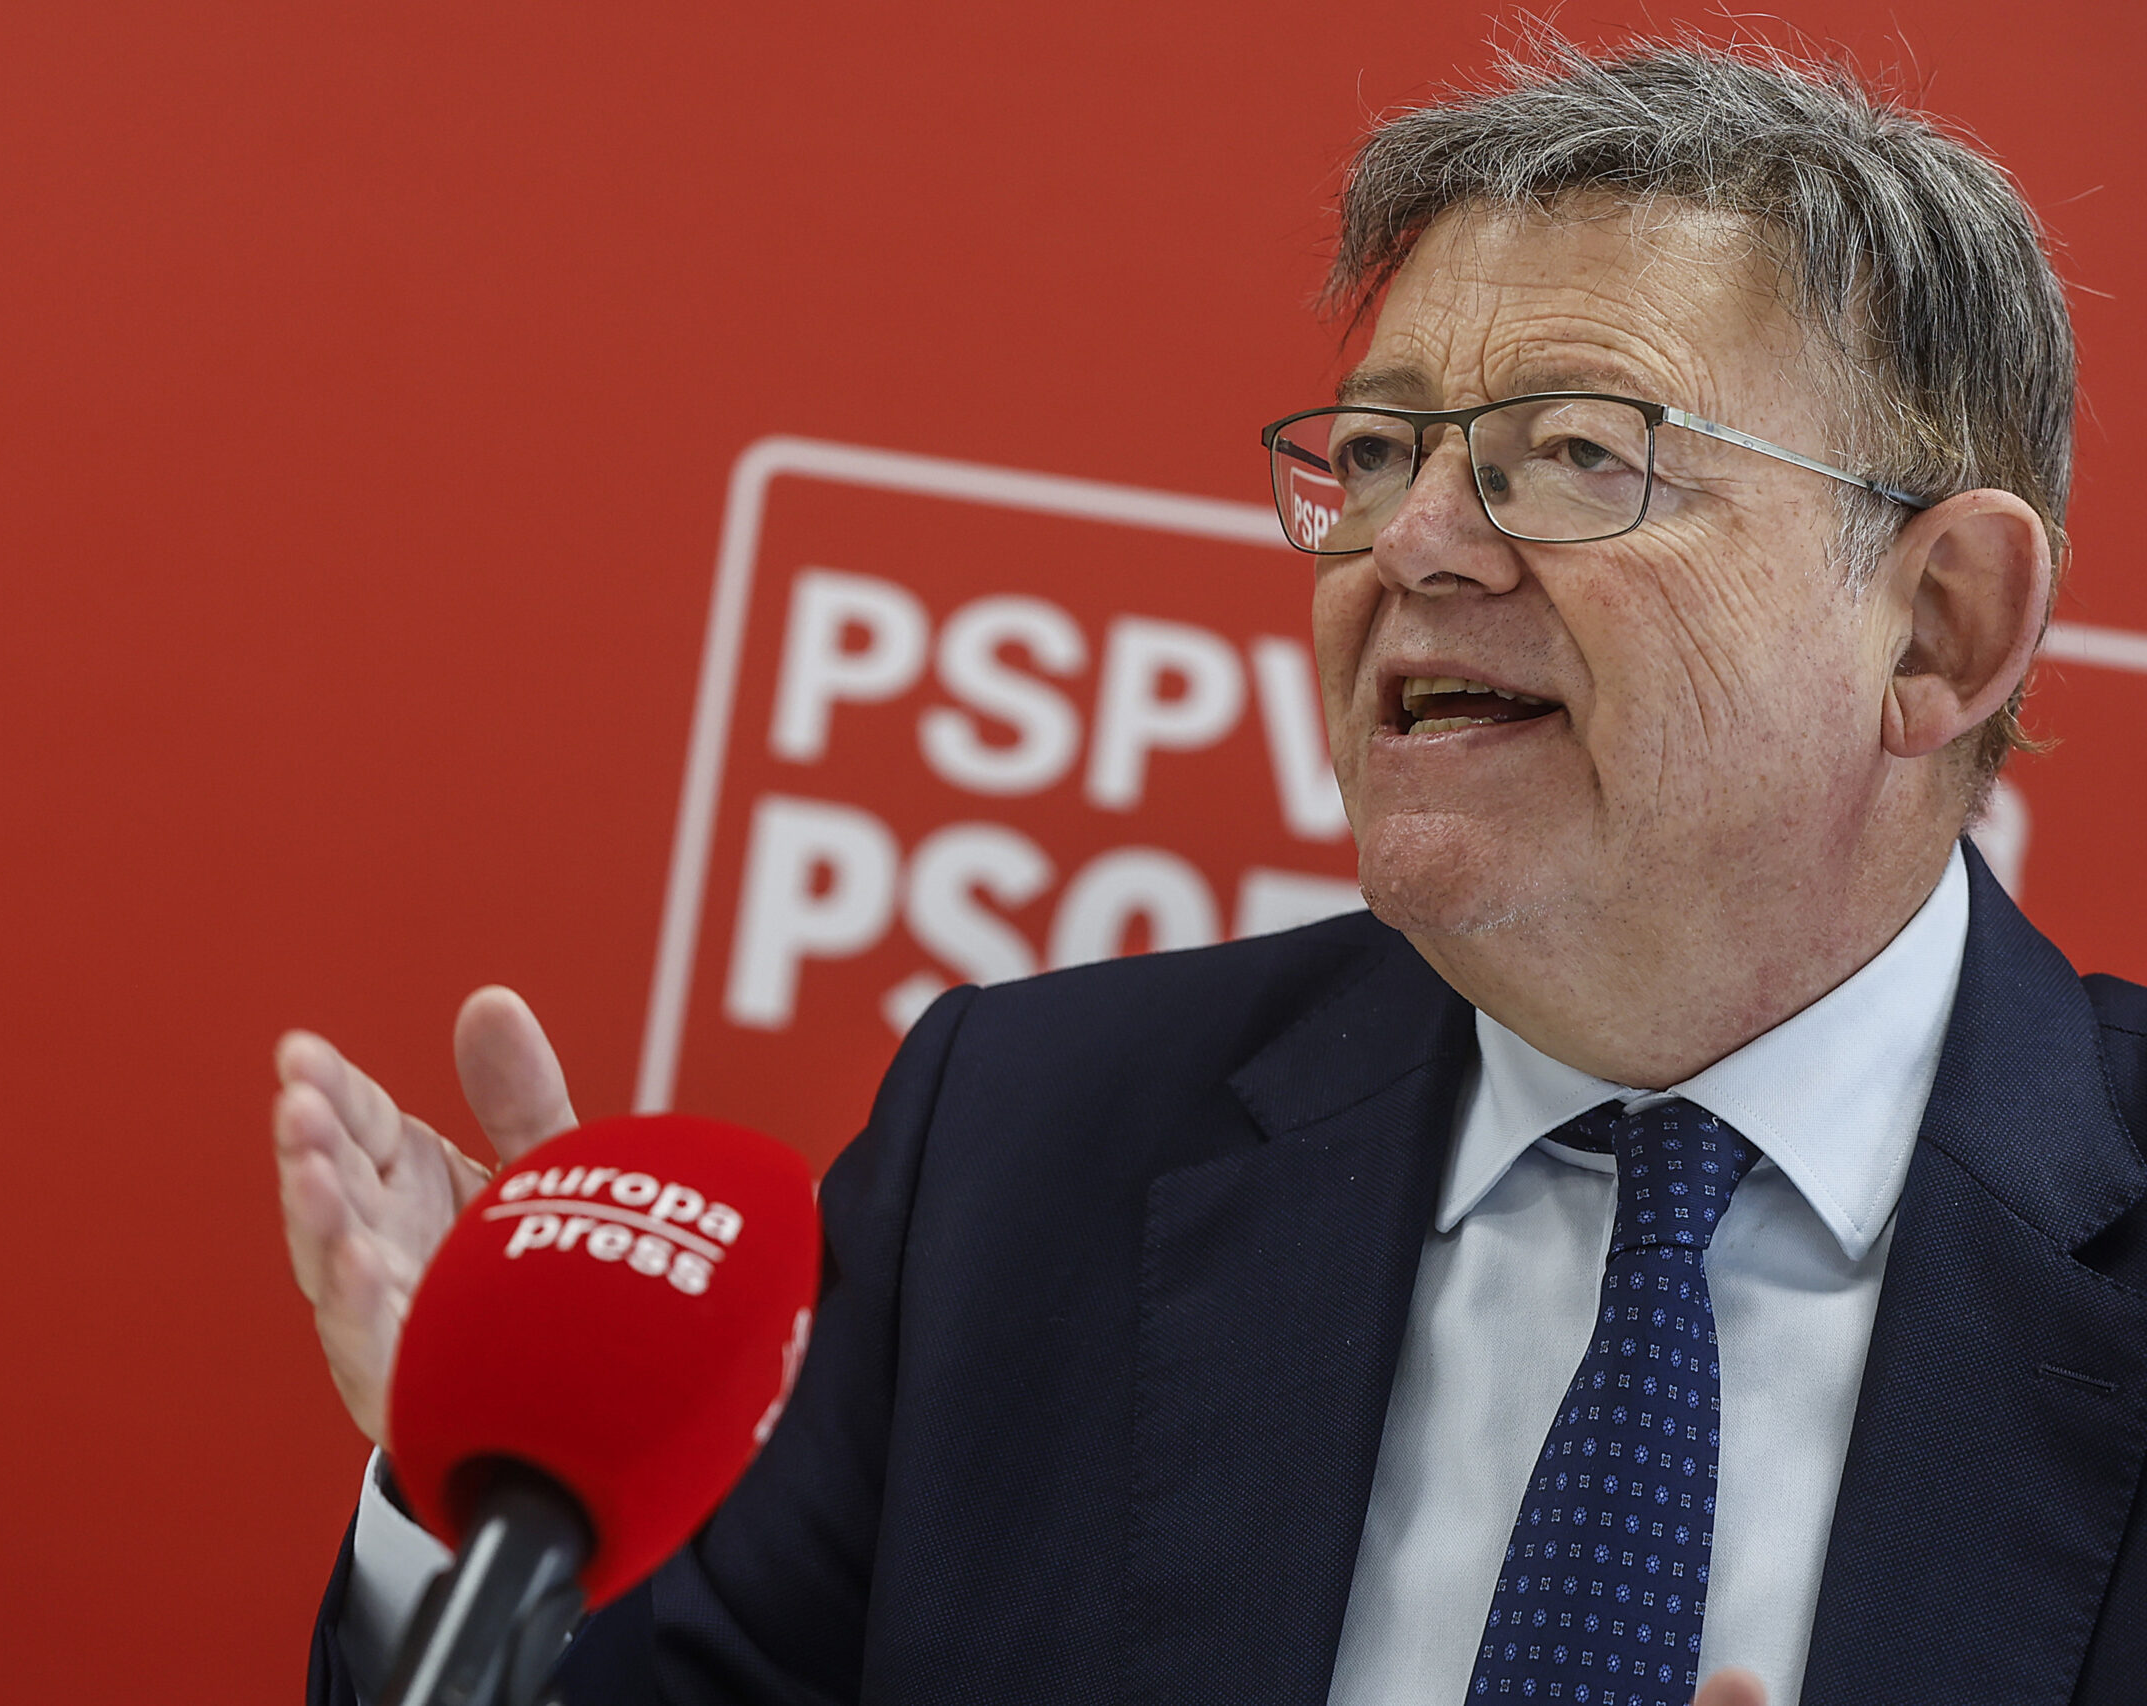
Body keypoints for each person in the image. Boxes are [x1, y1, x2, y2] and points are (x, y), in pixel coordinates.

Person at [272, 32, 2147, 1706]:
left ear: (1941, 625)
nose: (1412, 543)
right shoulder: (1020, 1147)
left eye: (1579, 453)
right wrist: (498, 1513)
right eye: (1380, 450)